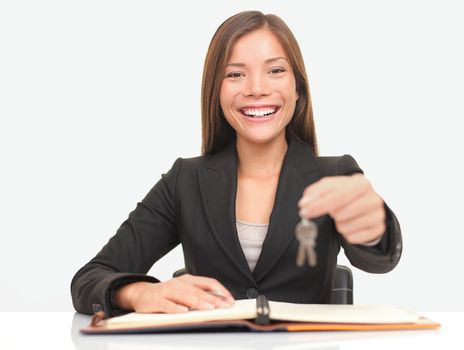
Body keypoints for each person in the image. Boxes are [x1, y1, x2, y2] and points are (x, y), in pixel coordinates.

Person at [71, 10, 402, 317]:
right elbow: (90, 278)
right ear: (216, 91)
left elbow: (379, 259)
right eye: (235, 74)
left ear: (298, 88)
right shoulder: (184, 180)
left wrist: (374, 230)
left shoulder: (336, 173)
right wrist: (138, 293)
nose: (256, 89)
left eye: (275, 70)